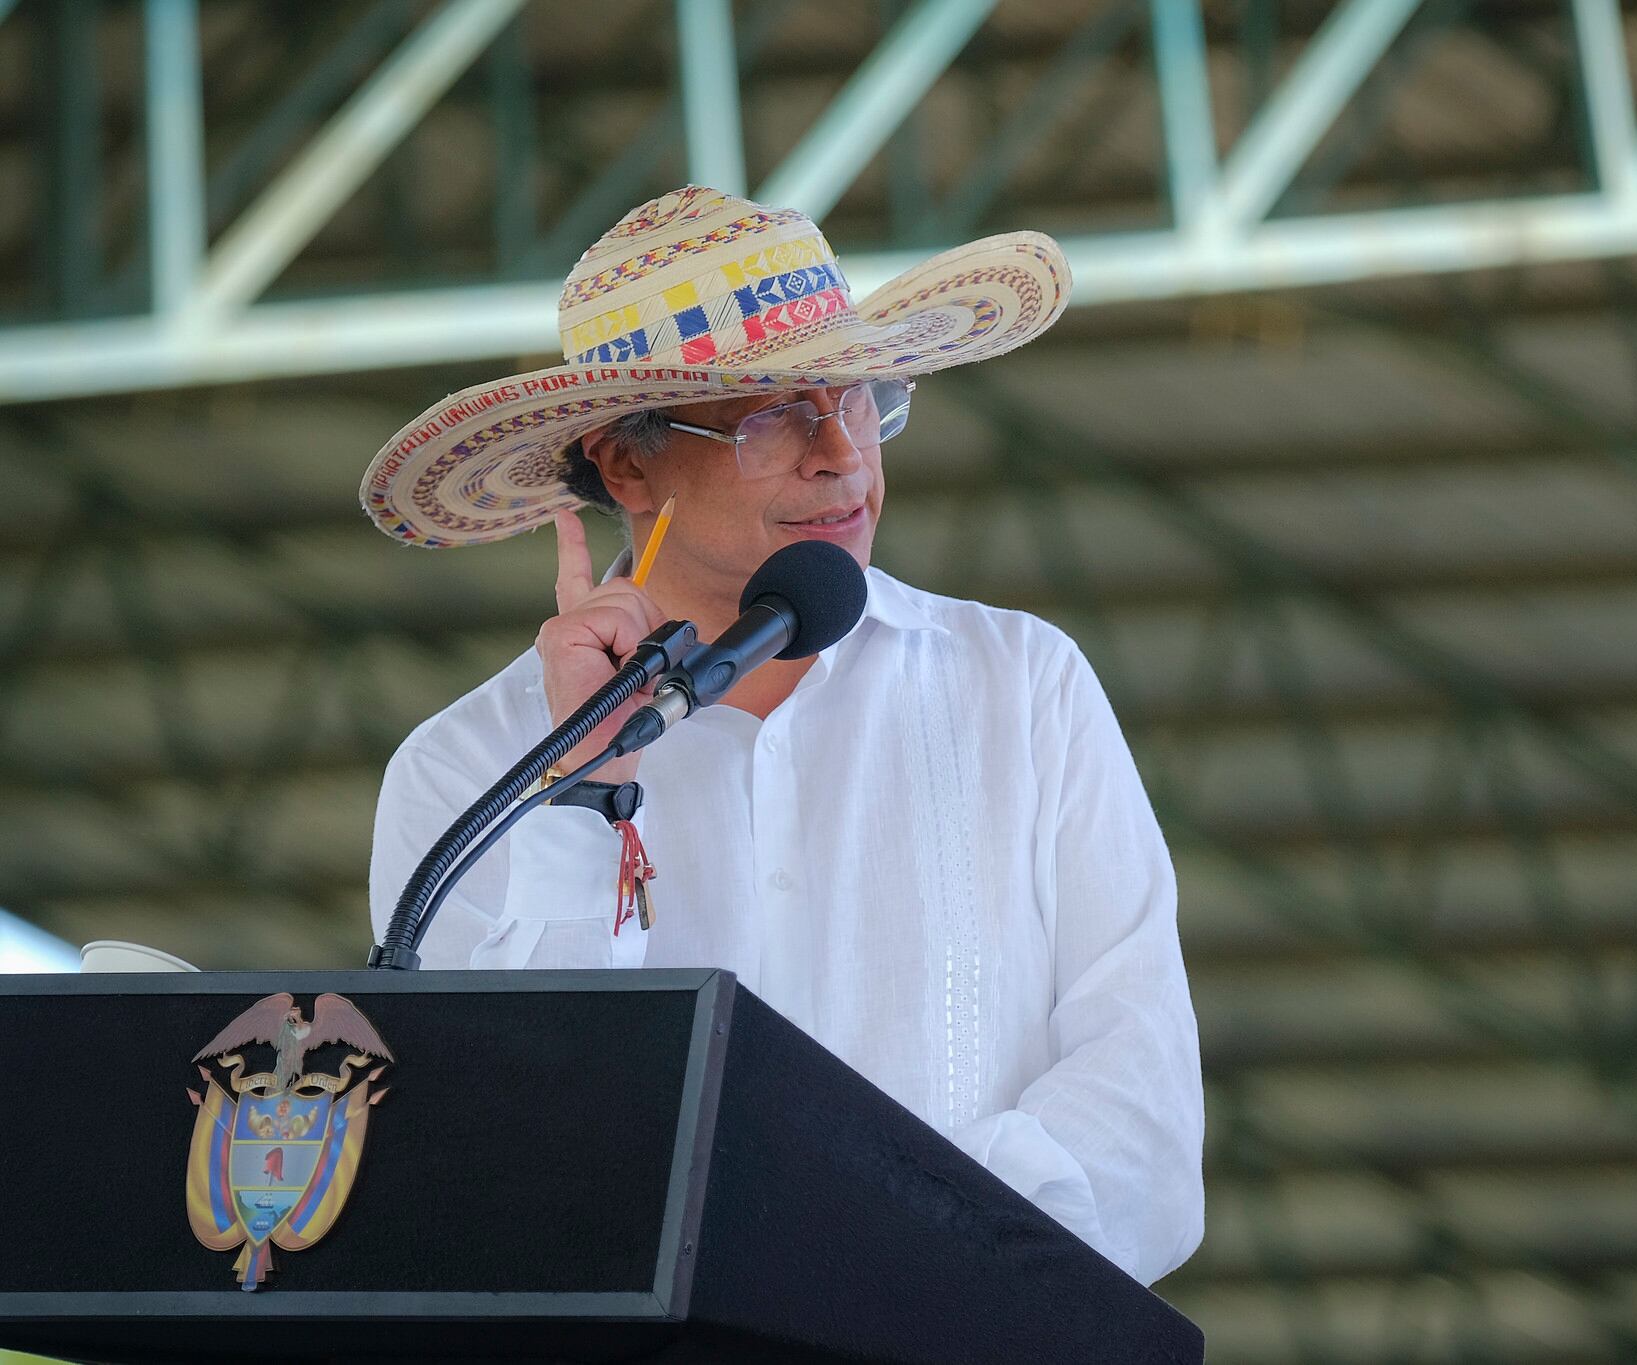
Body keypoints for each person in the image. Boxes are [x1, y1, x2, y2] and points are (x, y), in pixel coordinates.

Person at [362, 187, 1202, 1283]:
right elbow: (500, 1159)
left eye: (857, 397)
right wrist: (582, 785)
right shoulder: (468, 770)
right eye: (768, 417)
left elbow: (1140, 1123)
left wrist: (874, 1257)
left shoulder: (1020, 683)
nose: (840, 456)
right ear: (626, 466)